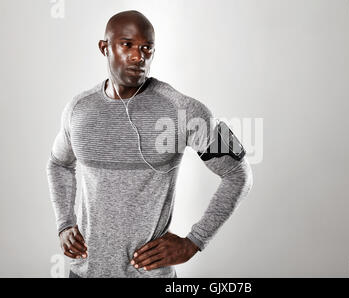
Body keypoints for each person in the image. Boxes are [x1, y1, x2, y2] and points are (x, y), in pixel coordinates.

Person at [46, 10, 253, 278]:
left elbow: (238, 173)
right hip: (84, 272)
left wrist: (194, 241)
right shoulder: (78, 110)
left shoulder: (184, 110)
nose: (138, 56)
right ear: (104, 48)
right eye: (127, 45)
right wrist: (64, 223)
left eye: (147, 48)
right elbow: (58, 164)